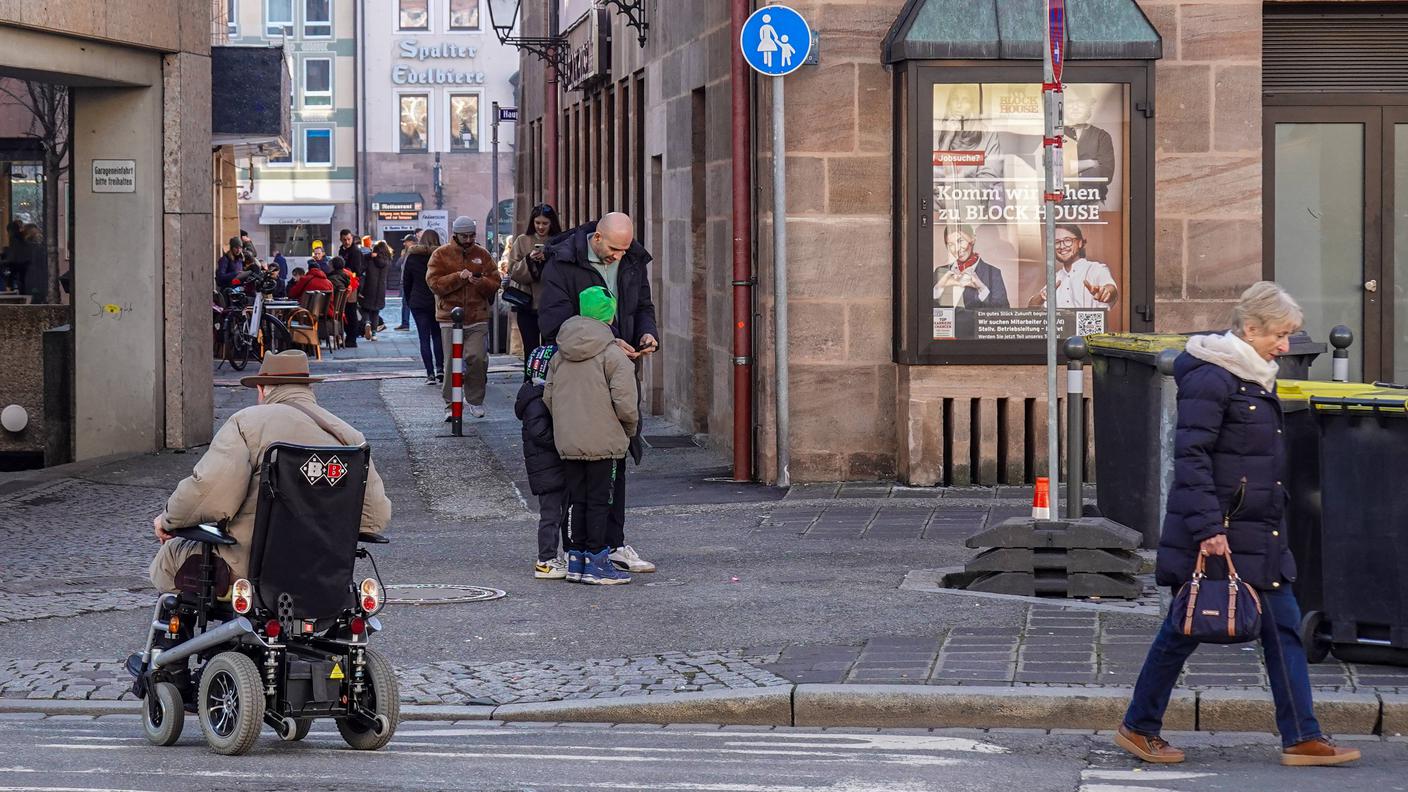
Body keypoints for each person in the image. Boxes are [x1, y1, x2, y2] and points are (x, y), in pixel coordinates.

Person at [1115, 282, 1361, 768]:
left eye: (1291, 336)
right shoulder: (1214, 377)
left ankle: (1301, 737)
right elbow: (1191, 457)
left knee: (1284, 628)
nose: (1286, 346)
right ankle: (1138, 727)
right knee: (1183, 629)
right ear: (1251, 328)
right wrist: (1208, 528)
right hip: (1221, 532)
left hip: (1259, 530)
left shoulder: (1253, 374)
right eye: (1280, 335)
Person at [133, 351, 391, 691]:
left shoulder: (247, 424)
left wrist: (168, 519)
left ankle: (171, 669)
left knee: (170, 560)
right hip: (324, 578)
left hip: (250, 574)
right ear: (307, 388)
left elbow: (209, 495)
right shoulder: (350, 438)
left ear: (265, 389)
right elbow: (375, 519)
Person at [539, 211, 658, 575]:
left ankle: (612, 544)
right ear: (597, 238)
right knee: (582, 477)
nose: (619, 256)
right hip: (583, 375)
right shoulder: (564, 261)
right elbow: (552, 322)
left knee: (614, 463)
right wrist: (605, 341)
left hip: (620, 364)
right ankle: (587, 550)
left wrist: (646, 333)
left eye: (625, 249)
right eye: (614, 249)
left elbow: (642, 306)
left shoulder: (633, 258)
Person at [544, 287, 638, 586]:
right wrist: (628, 430)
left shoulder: (561, 354)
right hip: (604, 439)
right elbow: (626, 402)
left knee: (575, 500)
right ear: (609, 314)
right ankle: (597, 561)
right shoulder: (612, 354)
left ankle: (576, 559)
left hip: (569, 439)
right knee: (600, 500)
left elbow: (549, 396)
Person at [426, 216, 498, 420]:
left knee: (477, 358)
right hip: (450, 316)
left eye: (472, 236)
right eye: (464, 236)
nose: (468, 240)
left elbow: (495, 282)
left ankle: (475, 399)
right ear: (455, 235)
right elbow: (434, 283)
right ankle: (450, 403)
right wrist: (459, 277)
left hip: (477, 316)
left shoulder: (482, 254)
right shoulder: (440, 255)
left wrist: (480, 282)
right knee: (451, 362)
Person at [516, 345, 569, 580]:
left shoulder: (536, 396)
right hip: (547, 468)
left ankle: (564, 554)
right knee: (551, 515)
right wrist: (564, 440)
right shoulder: (536, 400)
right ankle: (545, 560)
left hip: (551, 466)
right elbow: (540, 433)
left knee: (563, 512)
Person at [507, 204, 563, 353]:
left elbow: (564, 270)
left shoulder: (558, 241)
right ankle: (529, 376)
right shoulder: (522, 240)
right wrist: (529, 260)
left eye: (545, 223)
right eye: (537, 223)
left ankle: (547, 376)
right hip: (527, 303)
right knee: (530, 348)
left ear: (552, 223)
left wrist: (548, 257)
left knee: (549, 349)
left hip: (551, 304)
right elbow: (512, 270)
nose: (541, 227)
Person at [1026, 224, 1118, 310]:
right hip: (1061, 327)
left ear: (1080, 243)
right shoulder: (1055, 278)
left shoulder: (1096, 269)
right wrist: (1041, 297)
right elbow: (1031, 307)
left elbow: (1111, 290)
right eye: (1057, 242)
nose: (1062, 246)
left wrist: (1105, 292)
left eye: (1067, 240)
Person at [402, 229, 443, 384]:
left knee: (423, 338)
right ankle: (440, 369)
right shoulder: (440, 255)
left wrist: (409, 299)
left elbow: (406, 281)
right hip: (436, 300)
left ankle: (430, 374)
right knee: (437, 336)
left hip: (418, 302)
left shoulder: (412, 256)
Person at [933, 225, 1008, 309]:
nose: (956, 249)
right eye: (951, 244)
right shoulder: (940, 272)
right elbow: (923, 312)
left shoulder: (993, 273)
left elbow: (1003, 313)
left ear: (973, 239)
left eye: (960, 241)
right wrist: (938, 289)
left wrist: (982, 288)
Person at [1064, 87, 1116, 203]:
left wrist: (1071, 168)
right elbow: (1054, 170)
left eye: (1080, 103)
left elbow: (1106, 175)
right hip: (1061, 202)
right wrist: (1091, 163)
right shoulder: (1054, 135)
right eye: (1070, 103)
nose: (1075, 107)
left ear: (1088, 106)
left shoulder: (1101, 136)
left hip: (1092, 201)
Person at [361, 240, 392, 339]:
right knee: (376, 311)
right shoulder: (387, 261)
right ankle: (374, 333)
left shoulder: (370, 260)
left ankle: (366, 323)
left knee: (364, 308)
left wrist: (369, 256)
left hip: (369, 287)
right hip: (381, 289)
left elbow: (361, 268)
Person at [328, 255, 361, 348]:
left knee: (348, 317)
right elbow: (356, 282)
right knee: (352, 317)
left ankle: (350, 339)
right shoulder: (348, 273)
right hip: (352, 295)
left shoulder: (333, 277)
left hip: (345, 299)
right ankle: (351, 339)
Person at [394, 232, 418, 331]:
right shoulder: (406, 252)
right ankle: (405, 323)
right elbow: (398, 266)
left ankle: (406, 323)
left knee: (411, 303)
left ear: (412, 242)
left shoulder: (415, 252)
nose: (404, 244)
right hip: (405, 281)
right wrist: (402, 256)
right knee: (405, 303)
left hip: (412, 282)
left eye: (406, 242)